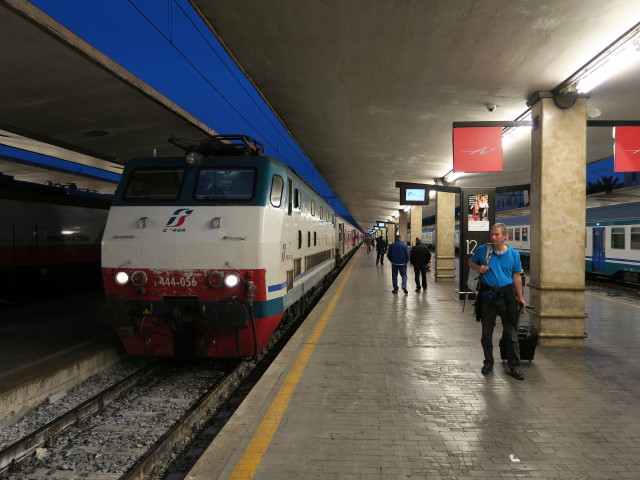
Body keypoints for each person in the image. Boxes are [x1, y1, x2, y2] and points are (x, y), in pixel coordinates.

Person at [468, 223, 527, 380]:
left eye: (496, 235)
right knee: (486, 334)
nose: (493, 237)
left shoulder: (514, 254)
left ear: (505, 236)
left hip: (507, 298)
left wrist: (520, 297)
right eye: (492, 234)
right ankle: (488, 362)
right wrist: (478, 267)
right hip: (487, 297)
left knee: (511, 335)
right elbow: (470, 262)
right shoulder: (483, 250)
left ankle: (514, 366)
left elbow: (517, 277)